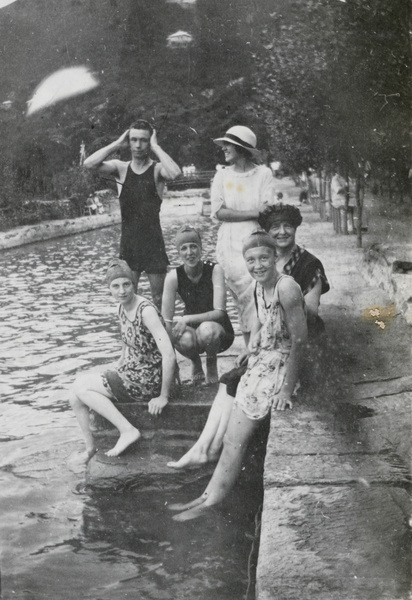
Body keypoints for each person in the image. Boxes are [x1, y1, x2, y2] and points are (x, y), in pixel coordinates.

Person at [167, 204, 329, 470]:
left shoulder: (308, 265)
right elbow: (260, 312)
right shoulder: (264, 262)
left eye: (287, 225)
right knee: (231, 377)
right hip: (274, 342)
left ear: (296, 228)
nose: (282, 231)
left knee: (242, 380)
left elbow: (308, 315)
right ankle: (203, 448)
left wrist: (287, 296)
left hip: (301, 343)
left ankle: (210, 450)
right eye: (274, 227)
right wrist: (255, 341)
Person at [168, 232, 308, 520]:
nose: (258, 265)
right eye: (251, 260)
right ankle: (207, 494)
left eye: (264, 259)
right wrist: (252, 344)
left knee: (235, 438)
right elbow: (260, 318)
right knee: (231, 428)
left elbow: (300, 341)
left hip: (281, 366)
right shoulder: (259, 285)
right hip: (264, 359)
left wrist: (286, 390)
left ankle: (212, 500)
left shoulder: (287, 288)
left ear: (275, 258)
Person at [69, 259, 176, 464]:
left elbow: (169, 354)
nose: (122, 290)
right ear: (109, 288)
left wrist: (164, 395)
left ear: (134, 284)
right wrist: (119, 364)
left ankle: (127, 430)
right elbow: (127, 343)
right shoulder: (122, 308)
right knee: (74, 396)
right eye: (115, 286)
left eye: (126, 284)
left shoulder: (146, 311)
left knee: (81, 387)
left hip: (149, 379)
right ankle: (90, 448)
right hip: (133, 371)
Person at [83, 119, 181, 309]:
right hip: (129, 244)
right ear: (129, 141)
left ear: (149, 142)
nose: (138, 145)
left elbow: (175, 173)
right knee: (128, 297)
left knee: (159, 298)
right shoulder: (120, 168)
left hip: (153, 243)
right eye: (133, 140)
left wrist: (156, 147)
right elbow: (88, 164)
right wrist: (117, 144)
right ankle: (134, 337)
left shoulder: (157, 170)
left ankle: (161, 336)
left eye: (143, 140)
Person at [211, 125, 276, 345]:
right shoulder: (222, 176)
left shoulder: (263, 174)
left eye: (228, 145)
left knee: (258, 289)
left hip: (256, 238)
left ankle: (261, 344)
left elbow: (268, 208)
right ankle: (249, 347)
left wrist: (258, 213)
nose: (224, 149)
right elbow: (219, 212)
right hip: (230, 242)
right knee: (240, 297)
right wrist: (253, 212)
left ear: (241, 148)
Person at [162, 224, 234, 384]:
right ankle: (195, 362)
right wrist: (171, 364)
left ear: (201, 248)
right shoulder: (173, 277)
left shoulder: (214, 270)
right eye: (184, 248)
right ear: (178, 252)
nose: (189, 253)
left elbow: (219, 312)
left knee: (207, 330)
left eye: (193, 246)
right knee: (180, 336)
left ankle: (211, 362)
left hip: (218, 329)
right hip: (193, 331)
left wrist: (186, 319)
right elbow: (166, 321)